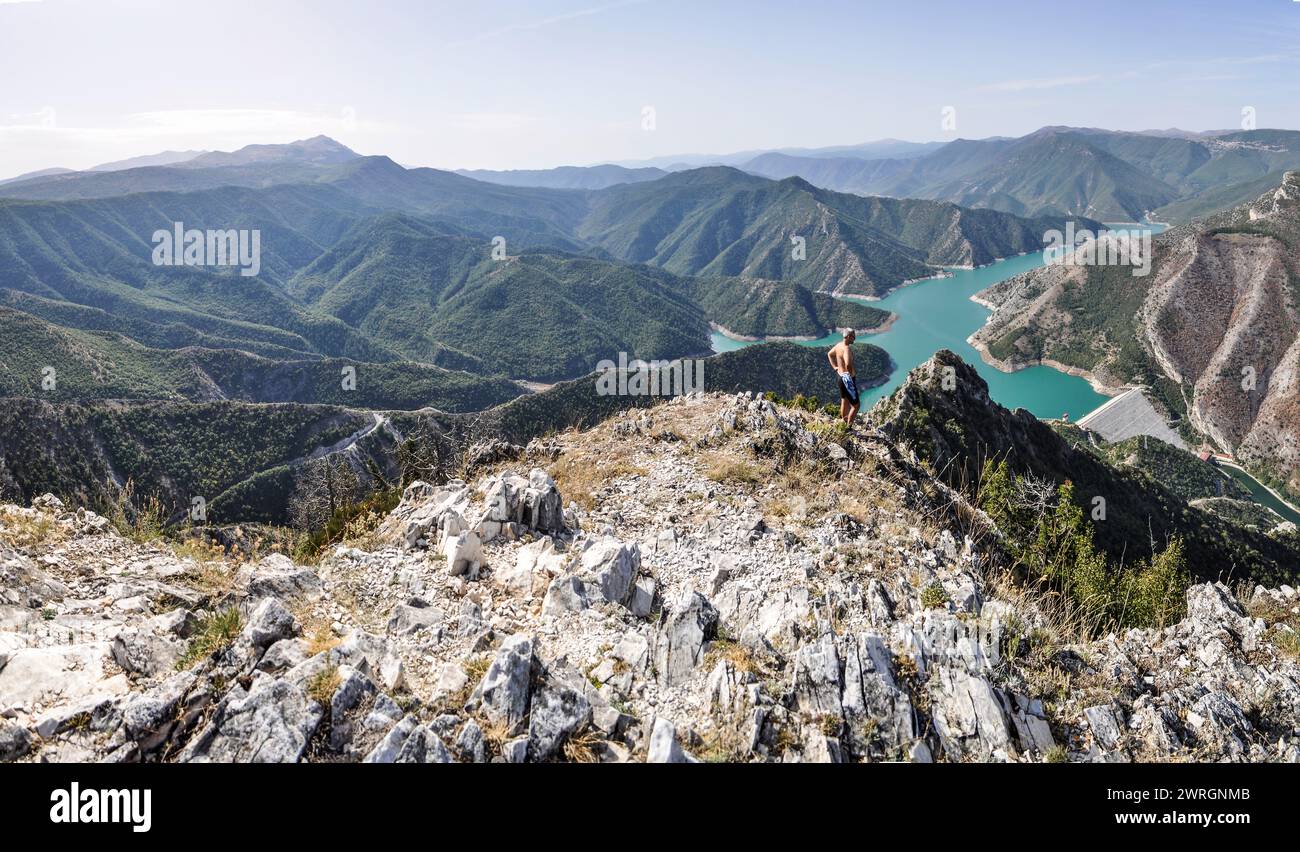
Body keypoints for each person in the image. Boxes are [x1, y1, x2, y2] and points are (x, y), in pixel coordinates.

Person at [827, 329, 859, 427]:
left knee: (844, 400)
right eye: (853, 336)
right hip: (847, 379)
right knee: (856, 405)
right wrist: (850, 376)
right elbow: (848, 364)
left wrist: (835, 367)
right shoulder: (846, 349)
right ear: (848, 337)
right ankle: (849, 427)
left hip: (840, 376)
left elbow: (829, 354)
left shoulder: (838, 345)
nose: (855, 338)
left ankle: (843, 423)